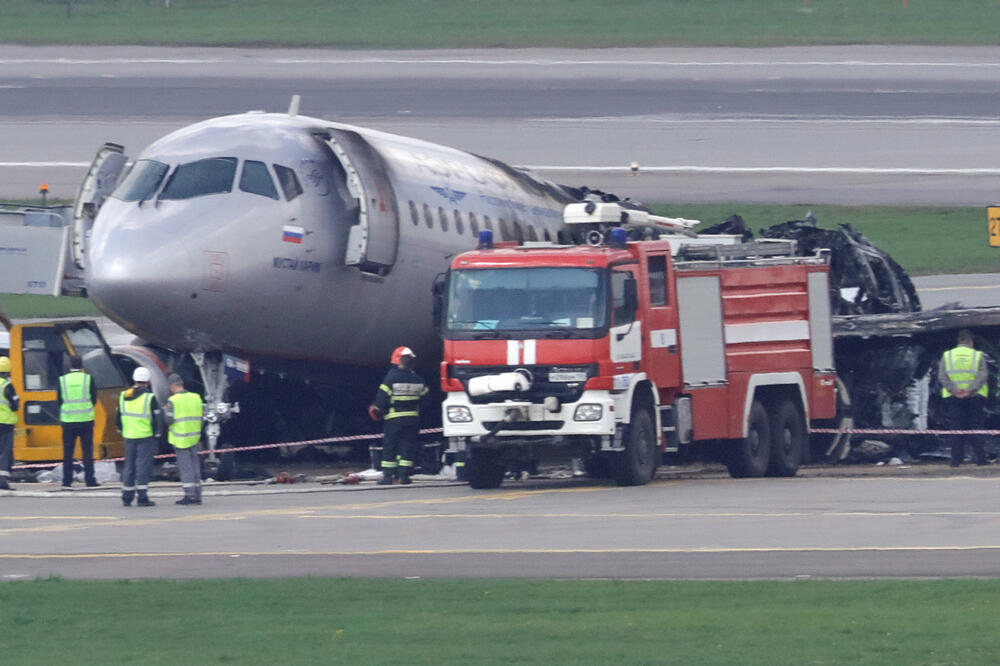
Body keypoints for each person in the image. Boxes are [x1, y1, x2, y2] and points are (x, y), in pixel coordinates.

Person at [369, 346, 428, 485]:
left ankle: (388, 477)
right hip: (413, 419)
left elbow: (382, 400)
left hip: (394, 418)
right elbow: (426, 400)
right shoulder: (418, 379)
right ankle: (404, 476)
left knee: (390, 446)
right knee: (408, 446)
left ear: (396, 360)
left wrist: (376, 409)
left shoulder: (391, 377)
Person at [938, 329, 989, 467]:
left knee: (957, 428)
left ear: (959, 341)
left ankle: (955, 460)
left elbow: (942, 376)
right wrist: (970, 390)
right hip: (976, 397)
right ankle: (980, 459)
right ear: (971, 341)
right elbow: (983, 375)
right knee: (976, 427)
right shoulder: (978, 356)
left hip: (953, 397)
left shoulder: (947, 356)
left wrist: (954, 390)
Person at [116, 366, 162, 506]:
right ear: (147, 381)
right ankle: (142, 497)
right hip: (145, 436)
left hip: (129, 435)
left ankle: (127, 496)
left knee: (129, 466)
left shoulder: (124, 396)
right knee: (143, 466)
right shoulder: (149, 398)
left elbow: (118, 417)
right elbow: (156, 419)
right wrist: (157, 434)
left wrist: (122, 429)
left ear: (134, 379)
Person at [58, 355, 99, 488]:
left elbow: (59, 400)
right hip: (86, 420)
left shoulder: (62, 380)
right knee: (87, 451)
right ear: (81, 365)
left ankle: (67, 481)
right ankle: (90, 479)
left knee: (68, 452)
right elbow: (94, 398)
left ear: (70, 365)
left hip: (68, 421)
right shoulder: (88, 378)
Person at [164, 373, 204, 505]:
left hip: (181, 440)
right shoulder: (196, 398)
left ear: (172, 386)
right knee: (195, 467)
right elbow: (202, 418)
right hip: (194, 438)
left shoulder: (173, 401)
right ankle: (197, 494)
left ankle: (189, 495)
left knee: (186, 468)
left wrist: (164, 411)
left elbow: (168, 419)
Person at [0, 356, 19, 491]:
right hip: (5, 424)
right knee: (5, 453)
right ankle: (2, 482)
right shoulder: (7, 385)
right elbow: (15, 405)